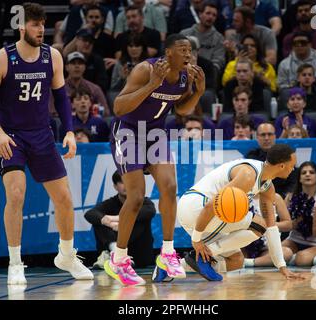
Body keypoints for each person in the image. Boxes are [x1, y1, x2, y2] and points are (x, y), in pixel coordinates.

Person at [0, 3, 93, 285]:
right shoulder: (2, 58)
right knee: (16, 194)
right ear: (21, 26)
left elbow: (62, 97)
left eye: (42, 24)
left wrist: (68, 131)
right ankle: (15, 263)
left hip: (42, 134)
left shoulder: (52, 56)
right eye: (34, 24)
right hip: (11, 136)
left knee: (65, 199)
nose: (41, 29)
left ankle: (66, 254)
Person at [107, 34, 205, 286]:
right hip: (128, 132)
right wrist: (152, 84)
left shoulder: (185, 76)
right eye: (183, 50)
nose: (188, 55)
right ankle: (118, 259)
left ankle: (168, 253)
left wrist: (197, 92)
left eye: (190, 50)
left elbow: (182, 110)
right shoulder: (145, 69)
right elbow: (118, 107)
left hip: (155, 134)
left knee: (170, 187)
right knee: (137, 196)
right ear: (168, 53)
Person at [174, 144, 304, 281]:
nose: (293, 169)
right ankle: (205, 253)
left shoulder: (267, 187)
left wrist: (282, 267)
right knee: (259, 224)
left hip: (201, 216)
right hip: (196, 206)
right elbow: (210, 206)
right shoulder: (248, 175)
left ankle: (171, 267)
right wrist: (196, 240)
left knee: (236, 261)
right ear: (282, 166)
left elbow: (271, 228)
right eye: (292, 165)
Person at [85, 171, 156, 269]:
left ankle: (119, 257)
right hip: (114, 246)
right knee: (99, 220)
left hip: (139, 255)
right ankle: (115, 253)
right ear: (115, 186)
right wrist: (109, 223)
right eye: (122, 182)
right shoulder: (111, 203)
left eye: (129, 181)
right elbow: (89, 214)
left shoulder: (143, 202)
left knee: (139, 218)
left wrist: (118, 220)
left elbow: (150, 211)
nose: (126, 185)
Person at [282, 161, 316, 266]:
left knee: (301, 259)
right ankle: (291, 258)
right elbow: (284, 223)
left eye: (311, 172)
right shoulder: (290, 198)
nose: (307, 174)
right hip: (294, 240)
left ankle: (296, 258)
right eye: (304, 173)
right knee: (274, 251)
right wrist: (294, 223)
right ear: (299, 178)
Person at [246, 123, 298, 199]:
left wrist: (284, 197)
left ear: (275, 136)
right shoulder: (251, 157)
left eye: (270, 134)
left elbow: (293, 181)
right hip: (257, 197)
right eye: (263, 135)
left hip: (282, 198)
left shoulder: (286, 155)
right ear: (257, 137)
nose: (266, 138)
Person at [243, 193, 293, 267]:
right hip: (244, 244)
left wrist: (267, 224)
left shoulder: (275, 197)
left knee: (287, 253)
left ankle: (248, 262)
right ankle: (241, 259)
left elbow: (288, 224)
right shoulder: (241, 197)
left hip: (266, 248)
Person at [180, 2, 225, 75]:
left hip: (208, 74)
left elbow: (218, 62)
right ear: (200, 14)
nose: (211, 17)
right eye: (208, 13)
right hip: (184, 71)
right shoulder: (185, 34)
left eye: (214, 15)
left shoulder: (219, 38)